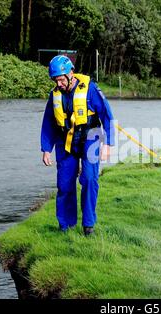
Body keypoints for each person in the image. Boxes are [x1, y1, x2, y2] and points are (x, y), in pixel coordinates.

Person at [41, 55, 115, 236]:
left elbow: (107, 116)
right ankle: (66, 226)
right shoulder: (55, 95)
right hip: (65, 142)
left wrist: (108, 144)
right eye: (55, 80)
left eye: (60, 79)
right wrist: (45, 149)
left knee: (89, 179)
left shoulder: (90, 90)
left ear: (71, 74)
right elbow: (48, 122)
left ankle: (88, 225)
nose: (58, 84)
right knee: (65, 185)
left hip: (90, 138)